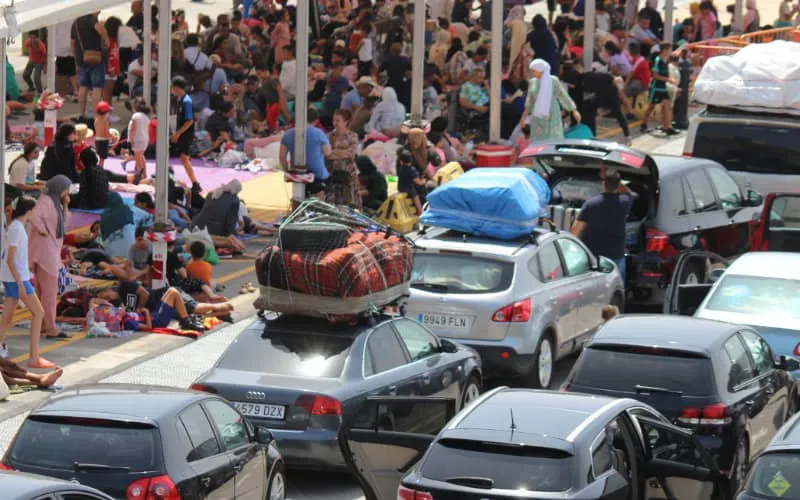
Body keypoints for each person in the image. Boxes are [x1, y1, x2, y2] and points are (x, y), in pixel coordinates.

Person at [0, 197, 51, 366]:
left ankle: (33, 356)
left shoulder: (16, 227)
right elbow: (11, 259)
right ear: (29, 211)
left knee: (7, 318)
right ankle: (34, 357)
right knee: (38, 313)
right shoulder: (17, 229)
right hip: (17, 279)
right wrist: (21, 284)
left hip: (12, 278)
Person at [28, 176, 72, 340]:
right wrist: (42, 230)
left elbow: (65, 222)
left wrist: (66, 204)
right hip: (46, 253)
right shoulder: (46, 201)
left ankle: (41, 325)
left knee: (42, 291)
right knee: (49, 292)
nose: (68, 191)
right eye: (66, 188)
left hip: (49, 250)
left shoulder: (55, 202)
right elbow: (34, 217)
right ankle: (51, 327)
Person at [570, 167, 633, 280]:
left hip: (593, 257)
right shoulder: (625, 202)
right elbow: (628, 191)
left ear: (603, 183)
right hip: (616, 256)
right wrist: (613, 179)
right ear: (618, 184)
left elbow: (575, 231)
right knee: (616, 290)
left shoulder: (590, 204)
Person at [519, 59, 581, 141]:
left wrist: (573, 110)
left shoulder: (553, 80)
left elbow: (562, 95)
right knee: (538, 139)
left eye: (533, 71)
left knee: (552, 138)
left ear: (540, 70)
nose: (531, 73)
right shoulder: (532, 82)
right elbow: (530, 101)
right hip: (538, 115)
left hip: (552, 114)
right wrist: (523, 117)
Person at [279, 108, 332, 200]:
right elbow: (328, 153)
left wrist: (287, 170)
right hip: (318, 174)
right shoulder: (319, 133)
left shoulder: (288, 134)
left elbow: (281, 156)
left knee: (298, 201)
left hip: (297, 173)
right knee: (319, 204)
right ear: (316, 120)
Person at [190, 180, 247, 253]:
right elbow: (231, 221)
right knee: (230, 241)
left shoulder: (212, 193)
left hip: (196, 225)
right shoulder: (234, 199)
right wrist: (230, 235)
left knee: (227, 240)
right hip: (213, 229)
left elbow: (205, 210)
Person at [71, 11, 109, 119]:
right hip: (96, 58)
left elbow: (72, 43)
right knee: (97, 88)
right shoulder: (91, 19)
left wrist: (77, 58)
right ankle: (97, 116)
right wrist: (106, 39)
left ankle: (82, 114)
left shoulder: (76, 22)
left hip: (82, 59)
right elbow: (99, 29)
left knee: (83, 87)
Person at [328, 109, 362, 209]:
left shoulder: (352, 136)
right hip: (333, 173)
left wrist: (335, 152)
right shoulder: (330, 136)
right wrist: (342, 152)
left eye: (338, 120)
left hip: (349, 174)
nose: (335, 123)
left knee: (351, 202)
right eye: (334, 120)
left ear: (346, 121)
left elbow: (351, 154)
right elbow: (328, 154)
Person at [641, 43, 678, 136]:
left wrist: (671, 80)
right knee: (651, 107)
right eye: (669, 49)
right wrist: (668, 79)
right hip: (656, 87)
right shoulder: (658, 60)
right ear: (664, 50)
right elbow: (655, 75)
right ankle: (644, 124)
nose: (671, 51)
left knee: (667, 106)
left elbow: (667, 74)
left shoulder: (666, 61)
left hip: (664, 87)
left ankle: (668, 127)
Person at [396, 149, 426, 214]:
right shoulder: (411, 170)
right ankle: (420, 210)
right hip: (408, 189)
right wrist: (423, 181)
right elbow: (418, 182)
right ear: (411, 160)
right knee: (416, 196)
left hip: (400, 187)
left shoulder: (401, 168)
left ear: (401, 161)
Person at [128, 98, 151, 183]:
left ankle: (141, 176)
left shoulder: (135, 116)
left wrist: (131, 139)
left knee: (138, 159)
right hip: (144, 138)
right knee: (141, 156)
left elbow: (133, 129)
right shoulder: (145, 116)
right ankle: (144, 175)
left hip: (137, 139)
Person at [94, 101, 112, 166]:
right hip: (103, 141)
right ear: (105, 113)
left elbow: (97, 130)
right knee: (102, 159)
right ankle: (100, 170)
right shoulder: (105, 121)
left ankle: (98, 169)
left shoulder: (96, 120)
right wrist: (111, 138)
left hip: (97, 140)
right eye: (108, 112)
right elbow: (106, 132)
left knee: (98, 157)